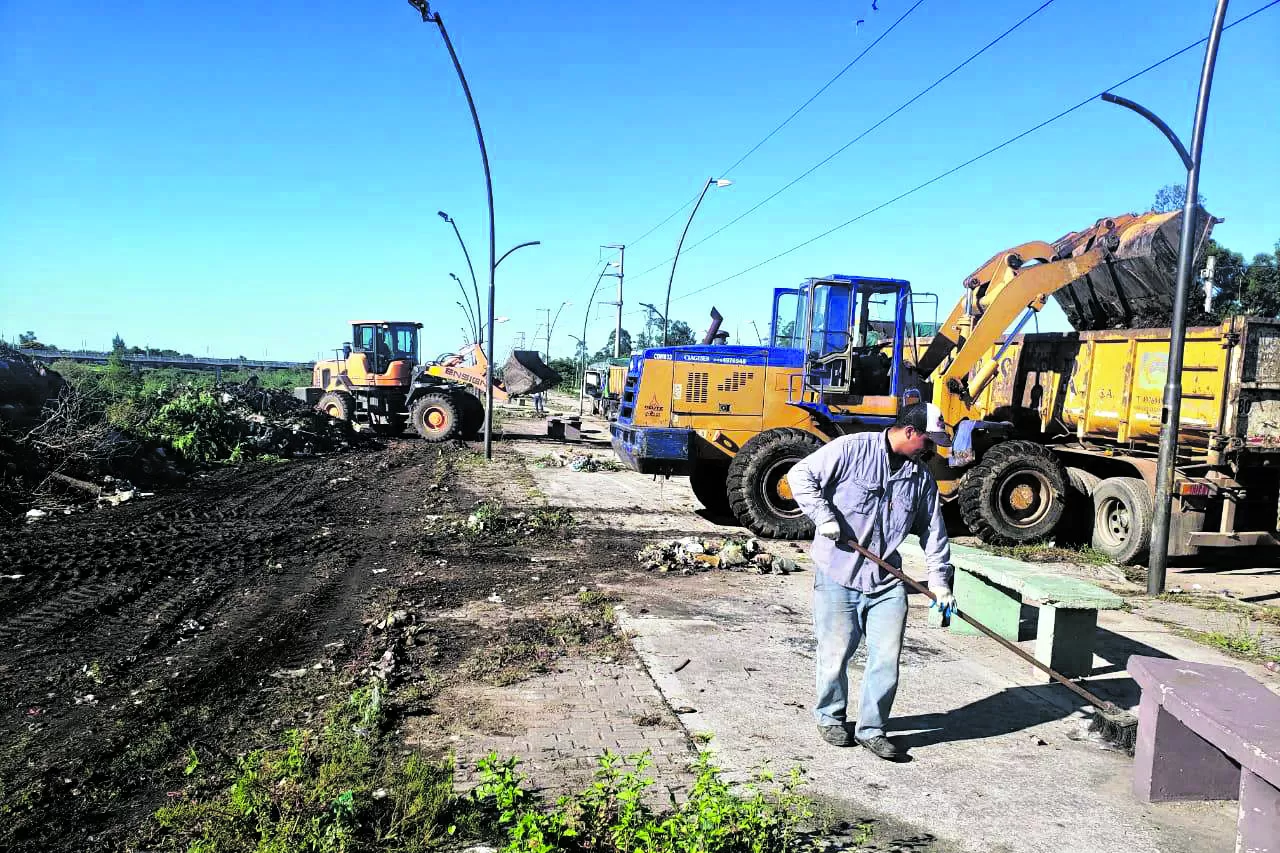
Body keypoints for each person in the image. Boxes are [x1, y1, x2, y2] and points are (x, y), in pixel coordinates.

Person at [785, 401, 956, 761]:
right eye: (928, 441)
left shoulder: (920, 478)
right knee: (835, 654)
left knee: (887, 657)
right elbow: (800, 475)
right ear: (910, 432)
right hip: (839, 573)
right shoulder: (852, 449)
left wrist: (940, 583)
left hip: (886, 580)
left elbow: (934, 533)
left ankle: (872, 729)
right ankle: (830, 717)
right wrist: (823, 517)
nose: (931, 450)